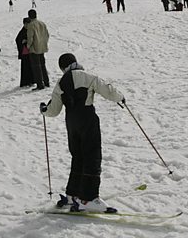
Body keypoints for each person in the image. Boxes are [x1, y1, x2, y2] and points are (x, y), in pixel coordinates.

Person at [40, 52, 125, 213]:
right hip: (87, 119)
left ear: (62, 67)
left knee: (78, 157)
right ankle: (89, 198)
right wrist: (120, 97)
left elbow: (53, 110)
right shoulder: (87, 76)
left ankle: (73, 195)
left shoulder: (61, 83)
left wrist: (44, 110)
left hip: (71, 123)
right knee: (92, 156)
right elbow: (107, 90)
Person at [26, 9, 50, 90]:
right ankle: (46, 81)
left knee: (36, 67)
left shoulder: (31, 25)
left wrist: (28, 46)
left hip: (34, 48)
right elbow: (47, 35)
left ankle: (40, 84)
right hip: (42, 47)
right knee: (43, 65)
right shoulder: (42, 23)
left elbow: (30, 38)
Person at [16, 17, 34, 88]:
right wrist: (23, 42)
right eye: (25, 24)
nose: (26, 25)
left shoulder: (30, 30)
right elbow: (18, 40)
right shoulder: (22, 31)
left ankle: (31, 81)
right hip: (25, 52)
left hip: (30, 51)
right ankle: (26, 82)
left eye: (28, 24)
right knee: (25, 67)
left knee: (31, 67)